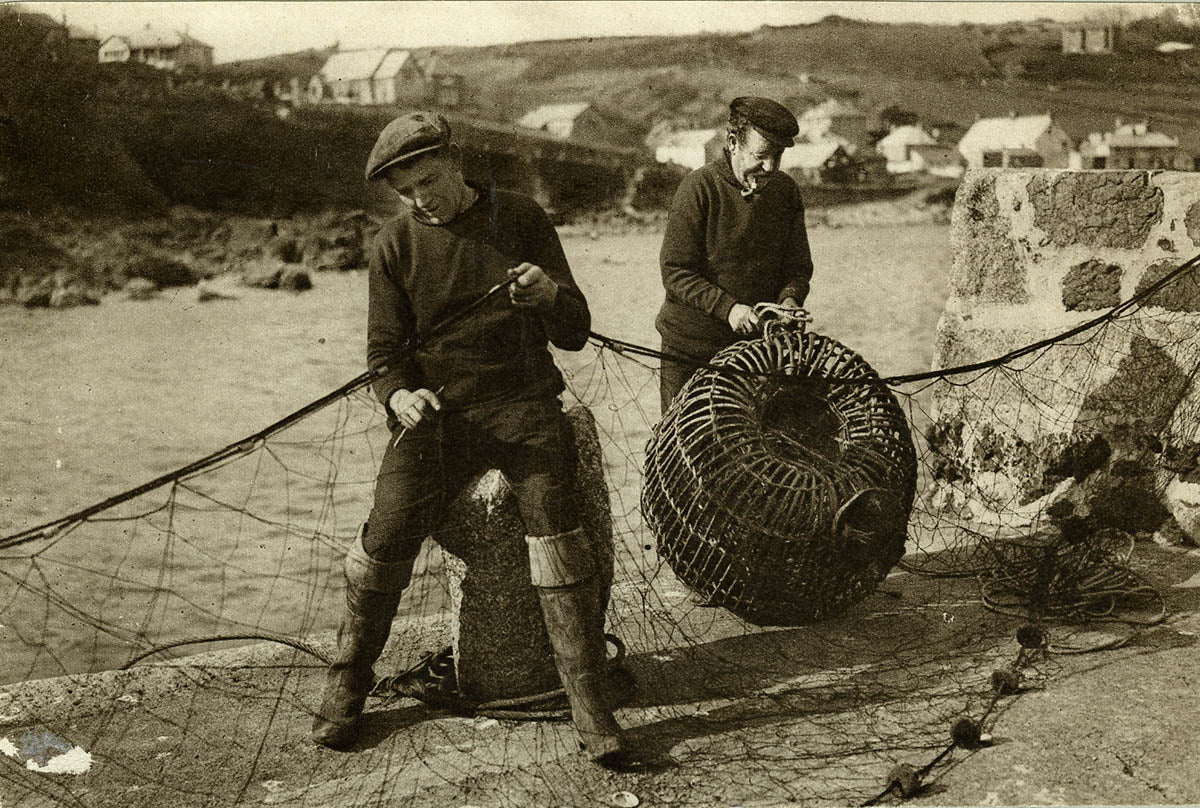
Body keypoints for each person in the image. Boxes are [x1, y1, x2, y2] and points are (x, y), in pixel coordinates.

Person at [311, 111, 625, 764]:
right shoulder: (393, 246)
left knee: (556, 526)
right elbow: (383, 354)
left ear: (456, 161)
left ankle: (589, 704)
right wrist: (399, 394)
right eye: (407, 192)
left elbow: (574, 329)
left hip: (523, 406)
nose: (422, 199)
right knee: (388, 528)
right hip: (438, 422)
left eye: (429, 181)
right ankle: (348, 683)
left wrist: (547, 296)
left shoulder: (522, 219)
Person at [655, 96, 815, 414]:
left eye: (778, 156)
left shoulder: (786, 192)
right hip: (691, 354)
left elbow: (797, 267)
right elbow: (675, 271)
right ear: (733, 143)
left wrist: (790, 299)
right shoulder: (697, 189)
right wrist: (729, 309)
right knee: (691, 452)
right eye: (761, 155)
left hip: (758, 355)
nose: (770, 167)